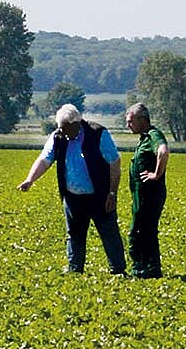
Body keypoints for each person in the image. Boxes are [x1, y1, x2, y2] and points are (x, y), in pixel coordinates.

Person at [18, 104, 125, 275]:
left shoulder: (98, 134)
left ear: (77, 123)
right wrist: (30, 179)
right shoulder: (58, 137)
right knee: (74, 234)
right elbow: (44, 160)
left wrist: (112, 192)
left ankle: (118, 270)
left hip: (100, 195)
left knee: (109, 233)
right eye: (60, 128)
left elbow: (114, 162)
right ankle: (75, 271)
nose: (62, 132)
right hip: (73, 197)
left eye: (65, 128)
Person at [124, 103, 169, 279]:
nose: (128, 125)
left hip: (149, 196)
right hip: (141, 196)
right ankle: (149, 268)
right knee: (145, 230)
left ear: (142, 120)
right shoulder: (144, 138)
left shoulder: (153, 135)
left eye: (131, 121)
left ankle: (143, 270)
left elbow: (163, 151)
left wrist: (156, 174)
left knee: (140, 231)